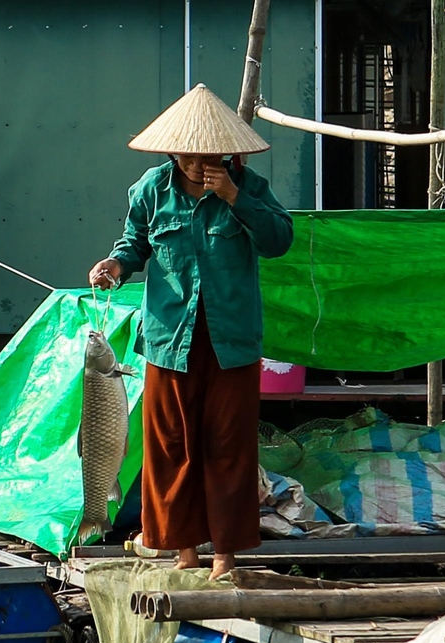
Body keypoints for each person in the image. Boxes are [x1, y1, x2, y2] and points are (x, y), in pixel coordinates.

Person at [88, 83, 294, 580]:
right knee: (170, 445)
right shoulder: (150, 189)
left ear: (226, 150)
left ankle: (225, 553)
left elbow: (278, 240)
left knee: (229, 445)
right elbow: (133, 243)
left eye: (208, 153)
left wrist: (234, 197)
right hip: (167, 339)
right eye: (187, 152)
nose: (197, 160)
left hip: (232, 342)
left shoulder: (250, 187)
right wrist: (115, 265)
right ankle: (182, 550)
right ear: (172, 150)